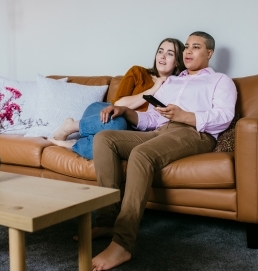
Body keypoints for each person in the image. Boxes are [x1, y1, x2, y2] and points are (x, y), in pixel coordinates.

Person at [90, 31, 237, 271]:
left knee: (141, 154)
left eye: (196, 47)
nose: (188, 51)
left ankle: (123, 243)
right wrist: (125, 112)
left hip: (195, 133)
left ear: (209, 53)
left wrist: (184, 116)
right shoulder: (171, 81)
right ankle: (107, 221)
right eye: (187, 46)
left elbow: (224, 117)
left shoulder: (220, 81)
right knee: (104, 138)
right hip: (161, 131)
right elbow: (150, 119)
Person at [48, 38, 186, 159]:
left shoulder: (178, 87)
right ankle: (70, 127)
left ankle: (73, 144)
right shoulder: (138, 72)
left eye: (170, 54)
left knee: (107, 147)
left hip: (131, 131)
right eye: (160, 51)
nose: (162, 56)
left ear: (177, 62)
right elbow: (118, 104)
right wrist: (153, 89)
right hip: (105, 113)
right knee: (118, 123)